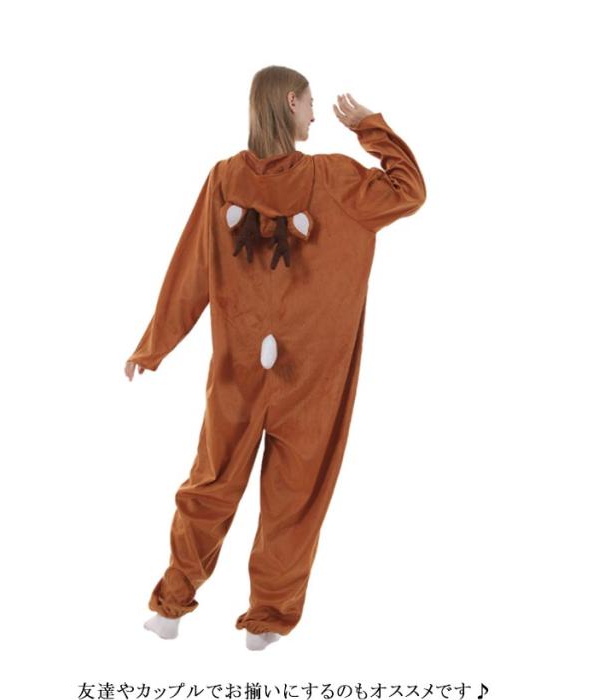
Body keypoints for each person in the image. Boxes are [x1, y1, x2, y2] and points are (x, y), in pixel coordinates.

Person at [125, 65, 427, 651]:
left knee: (212, 486)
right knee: (291, 497)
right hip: (307, 380)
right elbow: (408, 190)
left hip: (242, 372)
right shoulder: (331, 178)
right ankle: (265, 621)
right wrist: (370, 127)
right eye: (310, 103)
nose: (315, 114)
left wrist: (156, 343)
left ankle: (173, 608)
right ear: (290, 102)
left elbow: (191, 269)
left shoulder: (227, 178)